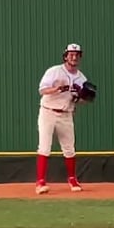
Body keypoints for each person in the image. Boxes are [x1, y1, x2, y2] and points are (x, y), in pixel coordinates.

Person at [35, 43, 92, 195]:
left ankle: (72, 179)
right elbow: (42, 90)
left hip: (66, 114)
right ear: (66, 56)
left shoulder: (81, 78)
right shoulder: (54, 71)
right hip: (48, 112)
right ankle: (40, 182)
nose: (74, 57)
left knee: (69, 149)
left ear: (79, 57)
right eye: (71, 54)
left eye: (77, 54)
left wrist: (82, 97)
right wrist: (57, 88)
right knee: (44, 147)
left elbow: (83, 100)